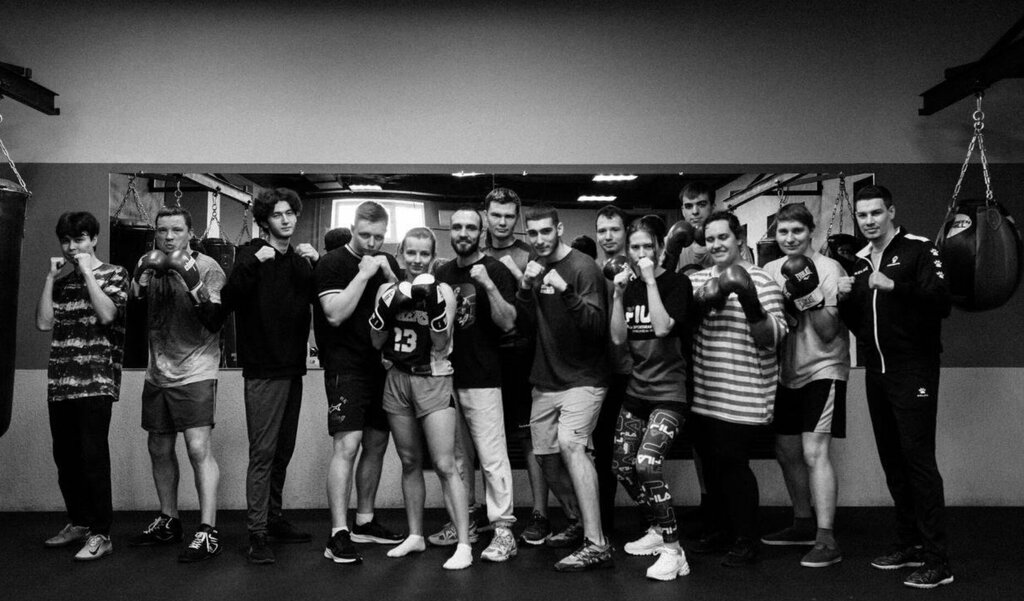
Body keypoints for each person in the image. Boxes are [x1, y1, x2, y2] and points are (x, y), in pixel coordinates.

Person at [838, 185, 953, 589]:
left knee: (919, 462)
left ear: (891, 211)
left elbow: (942, 301)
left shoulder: (919, 249)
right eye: (863, 215)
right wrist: (845, 300)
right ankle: (910, 544)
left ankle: (938, 560)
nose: (869, 221)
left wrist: (894, 286)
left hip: (913, 369)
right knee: (893, 461)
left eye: (876, 213)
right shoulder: (859, 263)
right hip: (877, 372)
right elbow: (861, 326)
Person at [220, 188, 318, 564]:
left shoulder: (299, 261)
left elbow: (320, 300)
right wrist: (251, 265)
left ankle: (273, 518)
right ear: (264, 221)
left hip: (293, 368)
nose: (286, 219)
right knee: (262, 454)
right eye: (277, 214)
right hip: (263, 370)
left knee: (282, 451)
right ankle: (257, 533)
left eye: (290, 213)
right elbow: (227, 300)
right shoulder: (249, 255)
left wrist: (318, 261)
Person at [127, 206, 226, 563]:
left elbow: (215, 321)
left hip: (196, 369)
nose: (168, 237)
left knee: (198, 448)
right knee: (158, 446)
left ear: (190, 232)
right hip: (158, 371)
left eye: (176, 230)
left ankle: (208, 530)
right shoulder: (149, 264)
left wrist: (193, 283)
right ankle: (169, 519)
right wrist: (139, 283)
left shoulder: (208, 267)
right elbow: (133, 316)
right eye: (162, 230)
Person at [688, 211, 787, 567]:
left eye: (723, 237)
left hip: (743, 394)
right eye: (710, 239)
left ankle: (746, 538)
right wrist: (704, 301)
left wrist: (749, 301)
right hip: (704, 391)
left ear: (739, 239)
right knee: (711, 467)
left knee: (733, 466)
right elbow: (683, 329)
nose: (716, 245)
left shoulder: (761, 280)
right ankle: (719, 530)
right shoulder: (697, 280)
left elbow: (772, 338)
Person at [516, 204, 612, 572]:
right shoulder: (535, 265)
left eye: (546, 231)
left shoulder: (583, 267)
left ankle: (597, 543)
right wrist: (526, 288)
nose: (539, 239)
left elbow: (596, 328)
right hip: (546, 378)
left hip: (584, 377)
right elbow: (525, 325)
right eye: (533, 233)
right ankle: (578, 521)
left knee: (572, 445)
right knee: (545, 458)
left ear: (559, 229)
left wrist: (566, 290)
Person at [369, 228, 472, 570]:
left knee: (445, 464)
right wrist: (384, 312)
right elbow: (376, 341)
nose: (417, 260)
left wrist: (435, 308)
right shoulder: (387, 290)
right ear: (400, 254)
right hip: (397, 379)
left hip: (433, 379)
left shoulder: (443, 291)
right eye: (411, 253)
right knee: (410, 461)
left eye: (424, 253)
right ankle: (415, 535)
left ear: (432, 256)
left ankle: (464, 543)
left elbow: (442, 343)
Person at [314, 201, 405, 564]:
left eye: (378, 237)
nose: (371, 243)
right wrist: (364, 275)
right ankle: (338, 532)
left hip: (380, 367)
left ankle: (364, 521)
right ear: (352, 229)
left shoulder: (386, 262)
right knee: (347, 446)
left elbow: (402, 309)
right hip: (345, 366)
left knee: (377, 444)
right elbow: (335, 314)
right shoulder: (332, 263)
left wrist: (391, 276)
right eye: (365, 235)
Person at [36, 212, 128, 561]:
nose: (72, 247)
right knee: (66, 459)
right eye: (66, 241)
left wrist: (88, 273)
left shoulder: (115, 274)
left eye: (79, 239)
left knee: (93, 458)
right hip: (60, 383)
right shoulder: (62, 284)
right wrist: (50, 278)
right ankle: (79, 522)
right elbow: (44, 323)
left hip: (96, 382)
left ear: (94, 240)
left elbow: (107, 315)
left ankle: (102, 533)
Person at [762, 203, 849, 568]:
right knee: (786, 451)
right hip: (787, 372)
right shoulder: (770, 270)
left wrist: (808, 294)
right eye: (783, 232)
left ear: (811, 232)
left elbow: (828, 332)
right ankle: (802, 523)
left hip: (823, 369)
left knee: (815, 452)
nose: (789, 238)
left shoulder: (829, 268)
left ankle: (827, 538)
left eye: (796, 231)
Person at [609, 216, 694, 581]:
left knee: (646, 464)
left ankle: (674, 551)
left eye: (648, 246)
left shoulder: (677, 283)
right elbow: (618, 338)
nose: (641, 253)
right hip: (637, 393)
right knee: (622, 466)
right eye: (635, 247)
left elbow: (661, 327)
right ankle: (659, 527)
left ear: (660, 248)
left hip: (669, 394)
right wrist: (617, 294)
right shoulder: (626, 288)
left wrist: (649, 281)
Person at [435, 207, 519, 562]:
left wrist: (487, 283)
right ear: (450, 232)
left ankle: (503, 531)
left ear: (481, 232)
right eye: (457, 227)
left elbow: (508, 322)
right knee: (457, 458)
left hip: (483, 378)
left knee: (492, 457)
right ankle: (464, 522)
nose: (463, 233)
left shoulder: (495, 269)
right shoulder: (442, 272)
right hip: (446, 378)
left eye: (471, 227)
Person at [480, 188, 554, 545]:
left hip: (522, 356)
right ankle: (490, 513)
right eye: (496, 214)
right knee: (486, 440)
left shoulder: (529, 254)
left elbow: (543, 307)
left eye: (509, 216)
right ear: (486, 215)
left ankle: (540, 514)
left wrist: (518, 272)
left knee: (529, 439)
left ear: (517, 218)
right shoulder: (475, 252)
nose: (502, 222)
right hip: (484, 357)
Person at [594, 204, 632, 534]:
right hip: (601, 375)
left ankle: (653, 524)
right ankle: (603, 527)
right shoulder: (592, 271)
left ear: (625, 232)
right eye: (602, 230)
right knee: (603, 453)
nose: (608, 236)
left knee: (635, 455)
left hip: (634, 374)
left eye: (614, 229)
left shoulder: (638, 271)